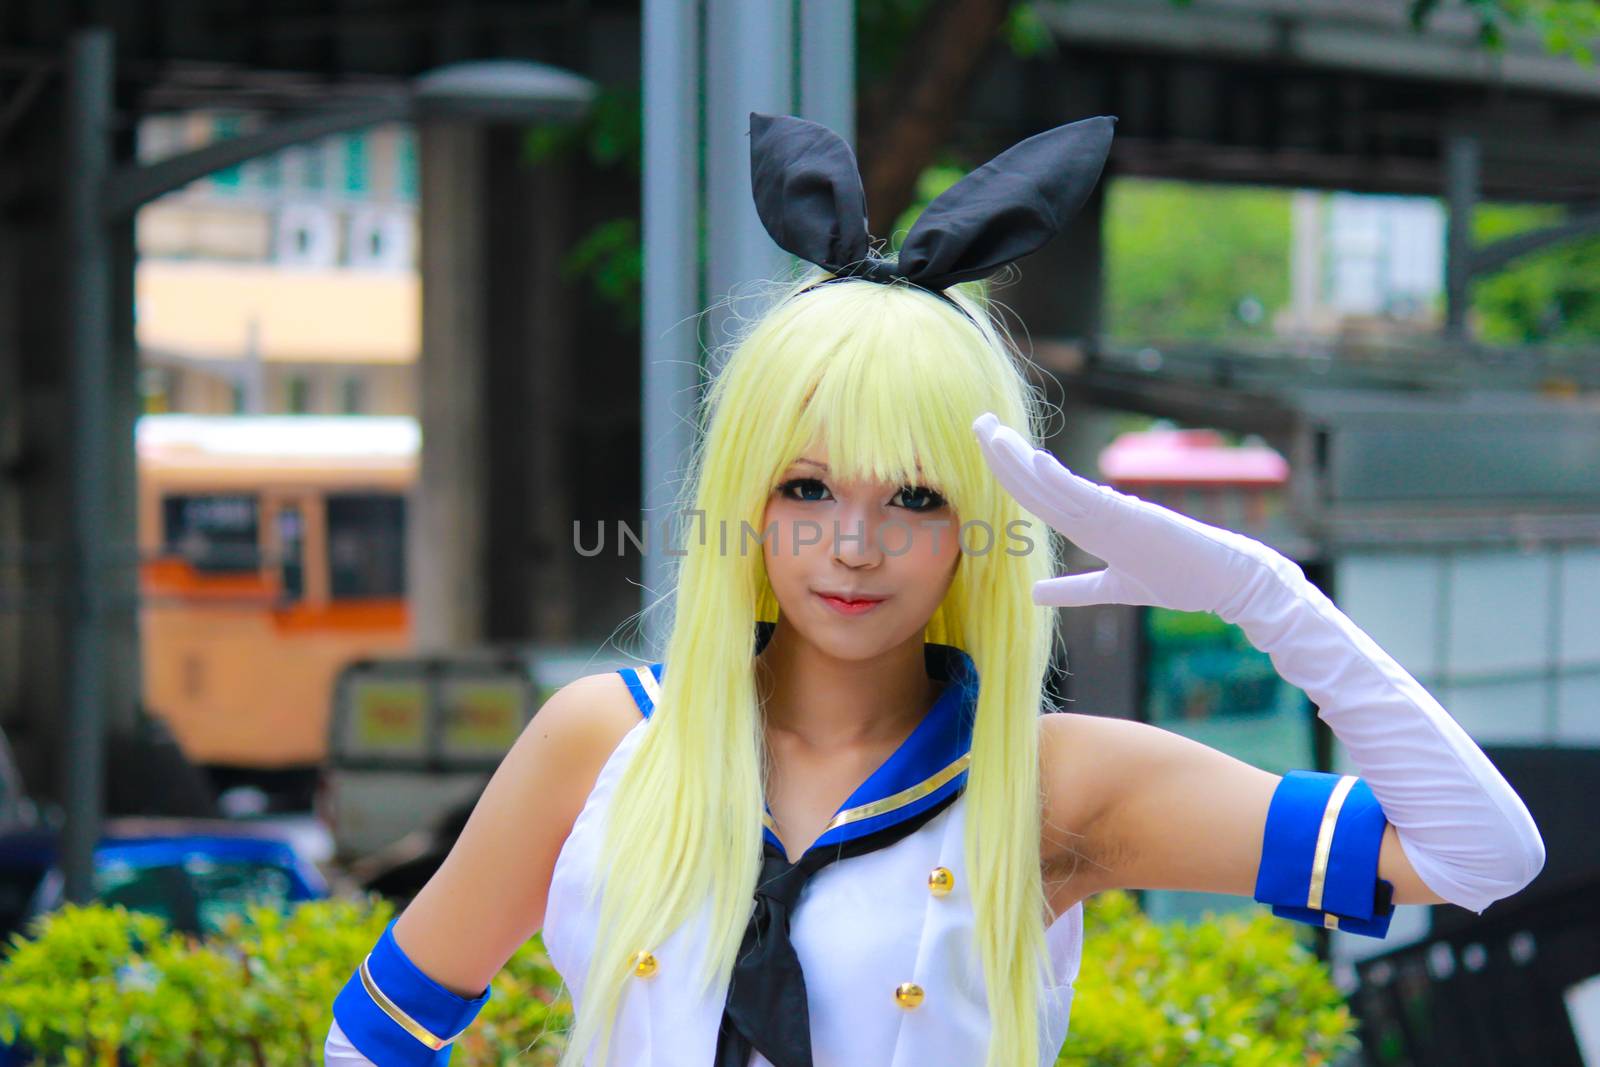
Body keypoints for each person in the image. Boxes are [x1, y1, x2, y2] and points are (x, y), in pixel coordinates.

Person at [324, 111, 1546, 1067]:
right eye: (806, 488)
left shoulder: (1049, 780)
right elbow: (378, 1027)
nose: (852, 544)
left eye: (912, 498)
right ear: (745, 497)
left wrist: (1265, 598)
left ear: (976, 527)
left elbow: (1482, 855)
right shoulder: (604, 740)